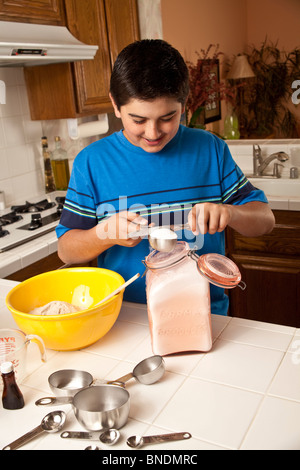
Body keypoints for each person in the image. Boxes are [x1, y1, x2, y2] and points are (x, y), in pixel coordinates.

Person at [56, 39, 275, 315]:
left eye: (167, 117)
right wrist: (105, 233)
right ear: (115, 104)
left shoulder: (210, 149)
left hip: (206, 314)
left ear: (183, 103)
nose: (152, 133)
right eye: (138, 120)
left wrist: (230, 213)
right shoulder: (92, 162)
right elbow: (66, 250)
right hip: (125, 321)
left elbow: (265, 220)